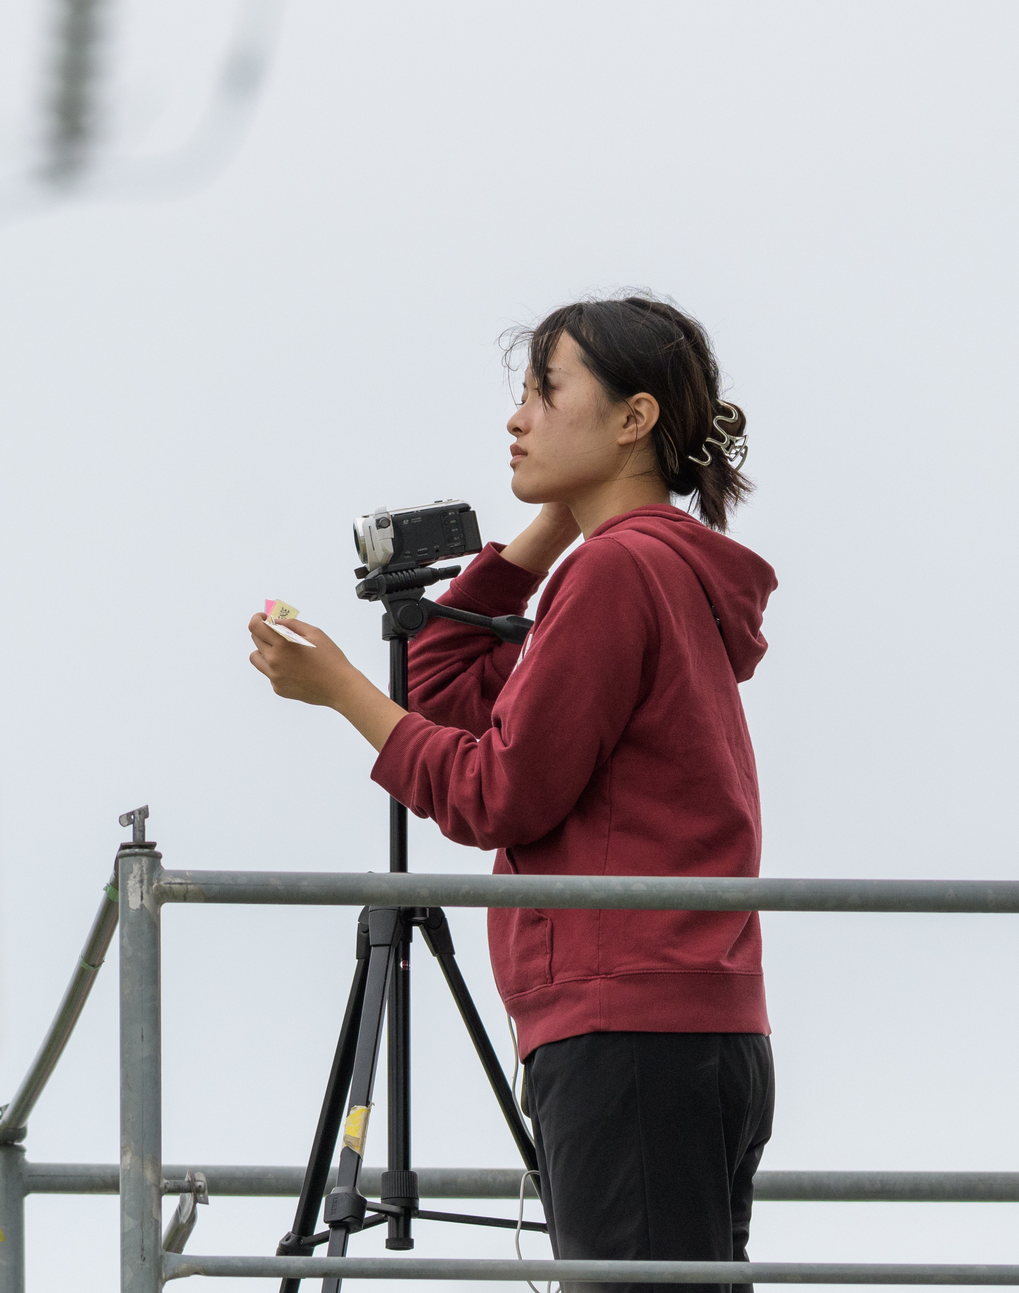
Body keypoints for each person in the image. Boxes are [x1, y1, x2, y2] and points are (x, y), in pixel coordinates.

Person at [246, 293, 777, 1293]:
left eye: (545, 390)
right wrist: (557, 520)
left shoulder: (617, 571)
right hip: (682, 1021)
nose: (516, 417)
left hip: (628, 1027)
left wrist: (341, 691)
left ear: (633, 418)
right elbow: (445, 687)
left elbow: (498, 794)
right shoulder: (649, 565)